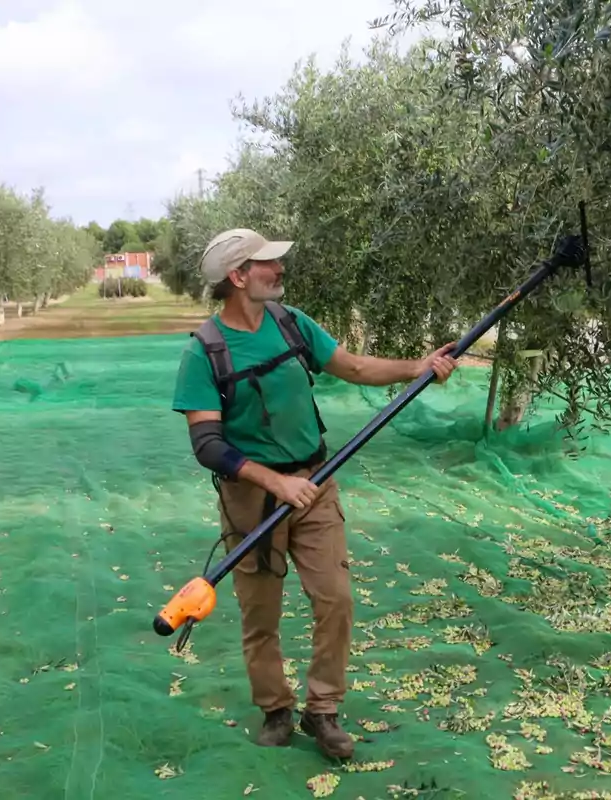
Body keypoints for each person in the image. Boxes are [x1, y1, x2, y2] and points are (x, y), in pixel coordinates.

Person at [171, 228, 458, 759]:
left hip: (317, 483)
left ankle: (322, 710)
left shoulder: (290, 322)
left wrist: (416, 368)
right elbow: (207, 443)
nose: (280, 270)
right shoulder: (205, 352)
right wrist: (275, 482)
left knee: (337, 599)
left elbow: (351, 366)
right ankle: (275, 709)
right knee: (261, 616)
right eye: (268, 264)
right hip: (253, 499)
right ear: (238, 277)